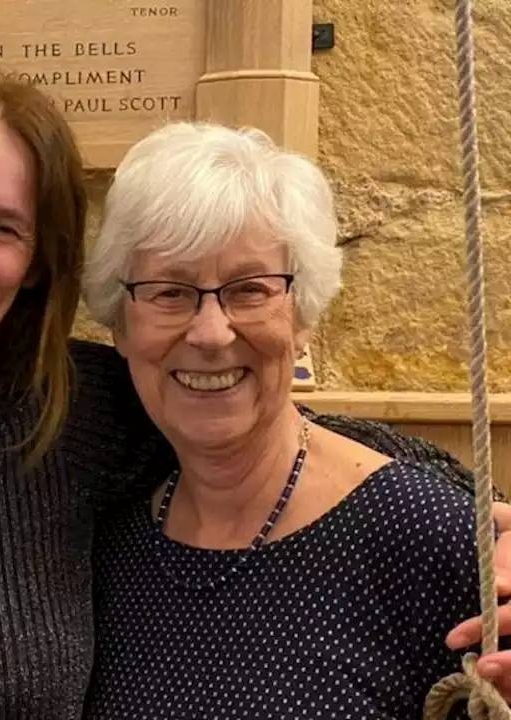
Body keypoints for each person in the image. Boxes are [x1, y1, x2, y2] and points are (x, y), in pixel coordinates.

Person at [0, 69, 511, 718]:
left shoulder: (75, 415)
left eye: (3, 228)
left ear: (36, 264)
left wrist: (488, 510)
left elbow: (259, 424)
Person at [80, 120, 500, 718]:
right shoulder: (107, 540)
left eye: (249, 290)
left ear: (302, 316)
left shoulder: (427, 536)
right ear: (119, 324)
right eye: (169, 291)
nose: (209, 332)